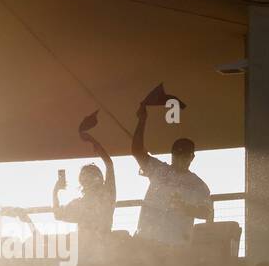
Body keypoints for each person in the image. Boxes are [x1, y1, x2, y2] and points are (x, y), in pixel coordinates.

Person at [131, 86, 212, 246]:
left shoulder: (198, 185)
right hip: (145, 241)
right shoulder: (158, 170)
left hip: (174, 247)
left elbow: (206, 212)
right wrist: (142, 120)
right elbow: (137, 151)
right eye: (177, 154)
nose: (180, 158)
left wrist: (186, 208)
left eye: (184, 155)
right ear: (172, 154)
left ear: (192, 157)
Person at [51, 112, 117, 241]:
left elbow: (58, 215)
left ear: (82, 181)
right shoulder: (108, 195)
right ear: (100, 178)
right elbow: (109, 164)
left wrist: (55, 191)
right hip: (105, 249)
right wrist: (93, 141)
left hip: (85, 253)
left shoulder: (80, 205)